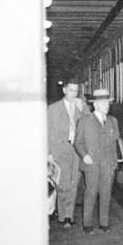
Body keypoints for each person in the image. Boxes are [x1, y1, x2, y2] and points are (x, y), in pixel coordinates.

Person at [74, 88, 123, 234]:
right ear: (95, 105)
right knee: (91, 192)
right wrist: (85, 156)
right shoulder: (84, 121)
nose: (106, 106)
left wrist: (116, 162)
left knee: (106, 192)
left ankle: (104, 223)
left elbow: (116, 141)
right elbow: (78, 142)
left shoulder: (112, 121)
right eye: (103, 104)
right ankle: (87, 224)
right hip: (92, 163)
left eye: (108, 104)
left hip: (108, 163)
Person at [47, 80, 87, 229]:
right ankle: (64, 216)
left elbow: (90, 120)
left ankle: (68, 215)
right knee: (63, 183)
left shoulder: (80, 106)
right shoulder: (53, 108)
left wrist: (82, 108)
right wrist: (49, 153)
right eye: (71, 90)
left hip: (76, 149)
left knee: (74, 182)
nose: (73, 94)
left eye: (76, 91)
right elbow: (48, 131)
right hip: (60, 149)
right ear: (64, 90)